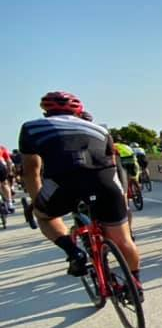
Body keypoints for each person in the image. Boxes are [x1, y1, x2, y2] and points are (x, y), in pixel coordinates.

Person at [18, 92, 140, 292]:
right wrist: (122, 201)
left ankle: (74, 253)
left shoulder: (31, 128)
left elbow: (31, 170)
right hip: (104, 181)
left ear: (46, 112)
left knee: (44, 217)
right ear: (78, 111)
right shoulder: (100, 130)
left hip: (62, 183)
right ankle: (136, 286)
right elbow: (114, 166)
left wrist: (36, 198)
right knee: (124, 240)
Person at [0, 144, 14, 213]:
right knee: (5, 184)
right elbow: (9, 161)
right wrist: (10, 171)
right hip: (1, 166)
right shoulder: (1, 147)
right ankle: (10, 204)